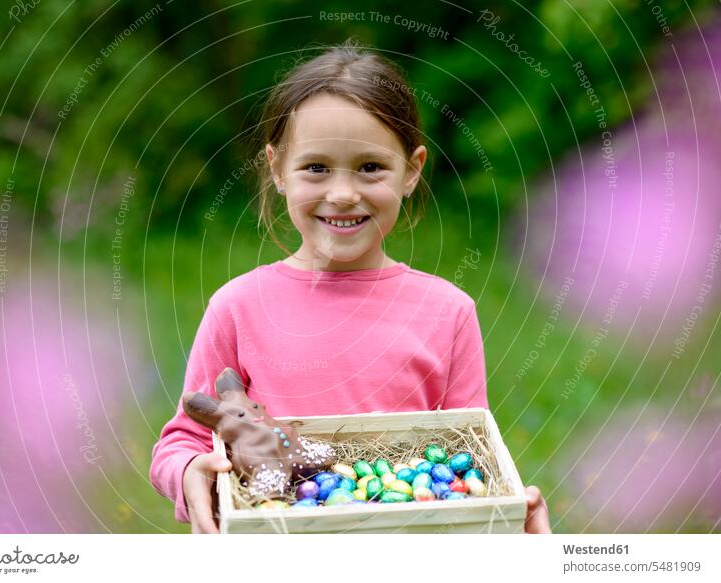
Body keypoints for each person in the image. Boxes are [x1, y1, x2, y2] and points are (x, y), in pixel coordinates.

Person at [150, 39, 551, 534]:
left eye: (370, 167)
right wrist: (190, 472)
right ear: (277, 169)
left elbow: (468, 455)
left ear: (412, 171)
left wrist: (505, 518)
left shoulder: (448, 311)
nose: (342, 194)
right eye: (316, 168)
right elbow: (184, 439)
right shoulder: (239, 306)